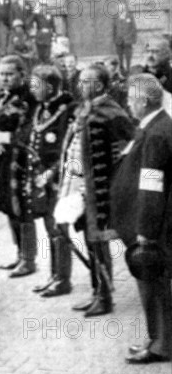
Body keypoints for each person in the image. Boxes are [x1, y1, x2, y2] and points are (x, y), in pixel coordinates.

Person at [54, 64, 134, 317]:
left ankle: (106, 297)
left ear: (99, 86)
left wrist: (110, 185)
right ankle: (96, 291)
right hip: (83, 186)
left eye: (86, 81)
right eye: (80, 81)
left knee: (99, 242)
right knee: (89, 241)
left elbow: (125, 151)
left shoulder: (112, 113)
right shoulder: (85, 110)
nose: (80, 85)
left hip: (100, 189)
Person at [111, 74, 172, 363]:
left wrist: (145, 230)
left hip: (154, 227)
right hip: (152, 223)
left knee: (154, 284)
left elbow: (152, 185)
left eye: (131, 99)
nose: (127, 104)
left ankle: (162, 344)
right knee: (153, 284)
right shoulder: (154, 126)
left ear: (143, 101)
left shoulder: (157, 134)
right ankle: (156, 338)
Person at [0, 55, 38, 277]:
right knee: (8, 207)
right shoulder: (2, 96)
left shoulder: (30, 98)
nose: (4, 78)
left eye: (10, 74)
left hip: (21, 161)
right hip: (3, 161)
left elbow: (31, 130)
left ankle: (29, 259)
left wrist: (8, 136)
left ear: (22, 75)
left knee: (22, 207)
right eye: (2, 74)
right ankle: (20, 254)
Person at [25, 65, 78, 297]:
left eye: (36, 85)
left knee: (59, 228)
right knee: (49, 227)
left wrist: (50, 173)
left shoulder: (67, 110)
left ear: (51, 87)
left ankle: (64, 280)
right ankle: (55, 275)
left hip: (59, 179)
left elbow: (66, 151)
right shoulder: (42, 109)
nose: (32, 90)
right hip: (42, 179)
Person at [112, 3, 137, 74]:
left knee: (128, 55)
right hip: (118, 40)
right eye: (119, 9)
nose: (120, 10)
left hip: (128, 40)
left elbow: (133, 28)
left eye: (122, 9)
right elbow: (114, 29)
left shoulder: (129, 16)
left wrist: (133, 39)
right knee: (120, 56)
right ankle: (121, 67)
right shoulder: (115, 17)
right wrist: (114, 39)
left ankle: (128, 68)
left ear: (124, 9)